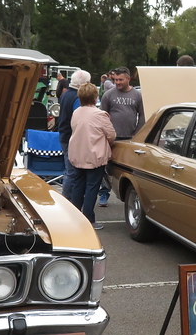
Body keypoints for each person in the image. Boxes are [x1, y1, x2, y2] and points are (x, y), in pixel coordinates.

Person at [66, 83, 115, 229]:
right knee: (92, 188)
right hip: (95, 156)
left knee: (78, 186)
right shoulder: (100, 114)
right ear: (95, 97)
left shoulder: (76, 112)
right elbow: (111, 135)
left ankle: (75, 217)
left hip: (77, 154)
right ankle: (89, 219)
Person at [99, 66, 144, 206]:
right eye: (116, 80)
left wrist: (137, 134)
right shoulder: (108, 95)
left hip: (129, 138)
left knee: (128, 169)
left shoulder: (137, 95)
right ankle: (104, 193)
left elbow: (142, 116)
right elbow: (102, 116)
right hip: (111, 138)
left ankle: (129, 196)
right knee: (106, 167)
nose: (117, 82)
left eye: (120, 80)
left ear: (128, 79)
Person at [58, 69, 91, 200]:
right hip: (73, 138)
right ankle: (68, 201)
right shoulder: (78, 97)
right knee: (72, 173)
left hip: (64, 134)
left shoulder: (65, 94)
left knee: (69, 170)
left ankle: (67, 199)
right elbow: (79, 119)